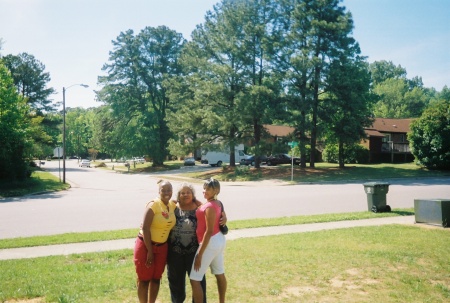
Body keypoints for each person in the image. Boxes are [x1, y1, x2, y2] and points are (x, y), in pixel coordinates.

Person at [134, 180, 176, 303]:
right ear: (159, 191)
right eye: (164, 190)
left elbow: (191, 202)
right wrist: (150, 252)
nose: (167, 193)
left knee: (157, 278)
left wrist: (222, 212)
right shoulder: (153, 205)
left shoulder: (172, 205)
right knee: (144, 280)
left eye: (169, 190)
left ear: (172, 191)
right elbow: (146, 228)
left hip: (162, 247)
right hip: (146, 246)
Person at [167, 183, 207, 303]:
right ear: (178, 195)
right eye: (182, 193)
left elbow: (214, 209)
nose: (185, 195)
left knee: (198, 282)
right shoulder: (172, 207)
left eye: (188, 192)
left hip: (194, 253)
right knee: (176, 283)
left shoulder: (200, 208)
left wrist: (224, 215)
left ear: (193, 195)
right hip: (174, 253)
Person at [190, 178, 227, 303]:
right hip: (219, 241)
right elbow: (204, 207)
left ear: (215, 190)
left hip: (210, 242)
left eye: (207, 189)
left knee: (194, 279)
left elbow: (209, 231)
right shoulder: (217, 203)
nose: (204, 191)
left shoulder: (210, 207)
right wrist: (193, 199)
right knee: (219, 273)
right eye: (204, 188)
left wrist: (199, 254)